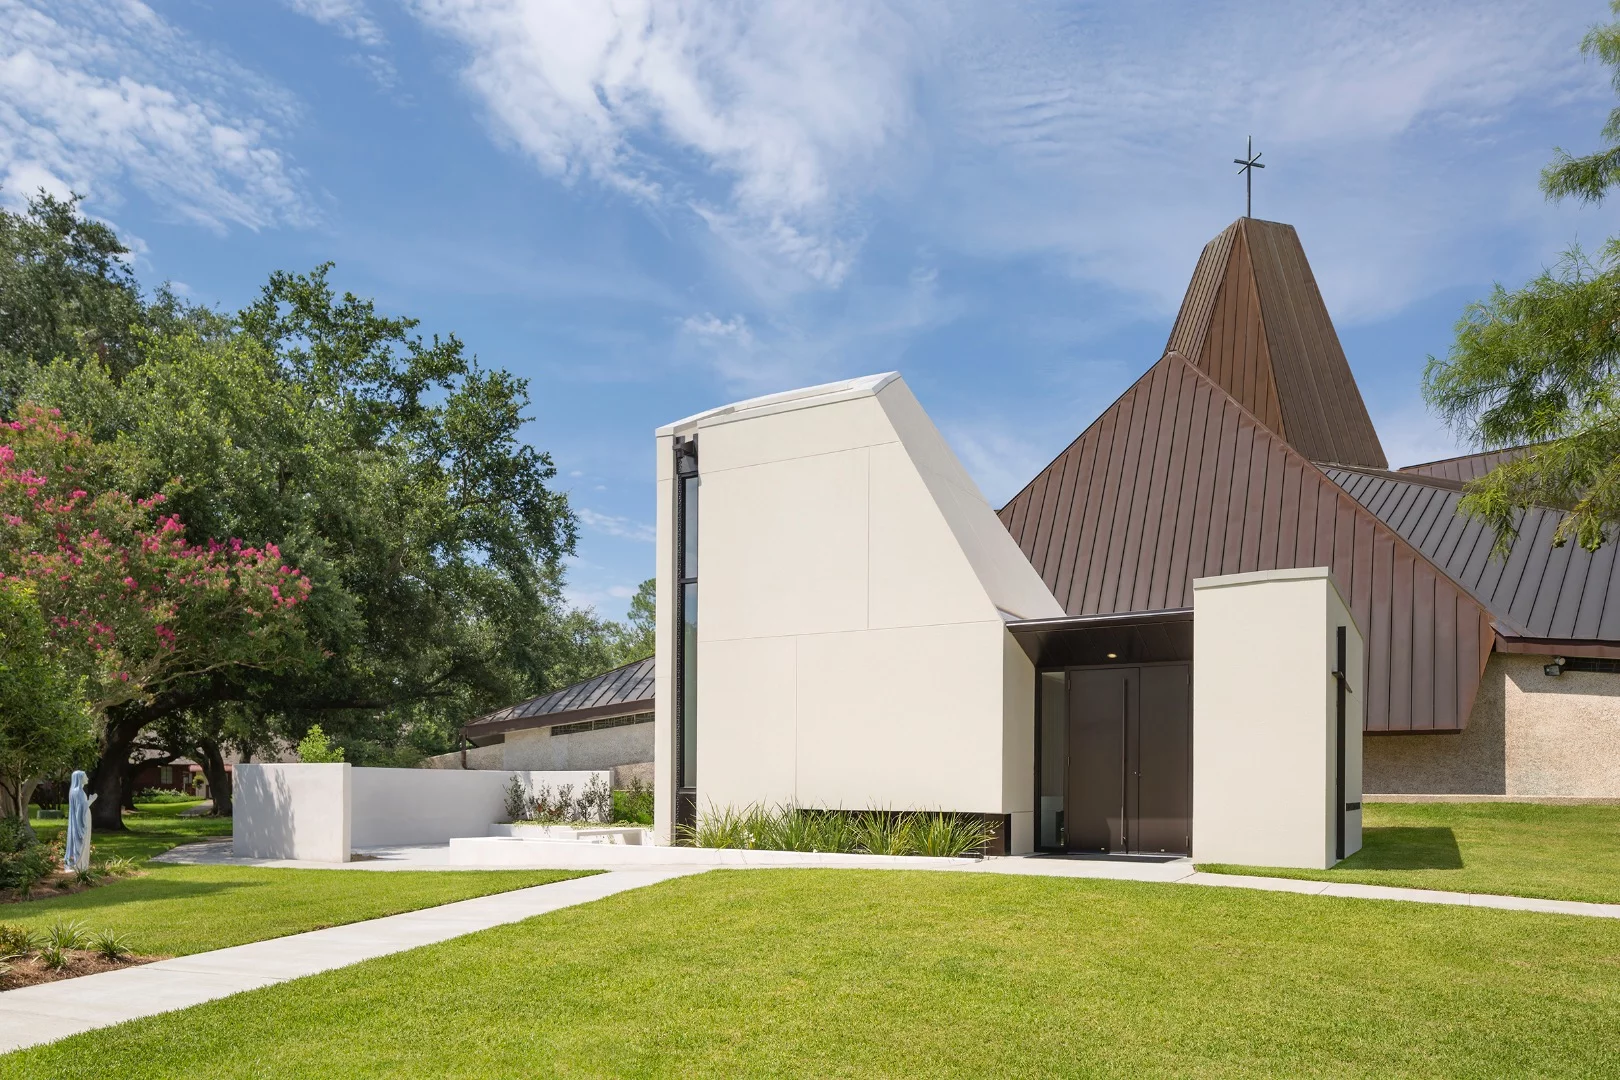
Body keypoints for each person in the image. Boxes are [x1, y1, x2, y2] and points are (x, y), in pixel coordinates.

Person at [64, 770, 96, 872]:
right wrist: (91, 800)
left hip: (82, 818)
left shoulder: (74, 791)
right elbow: (81, 809)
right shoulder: (78, 792)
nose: (87, 778)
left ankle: (78, 864)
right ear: (79, 779)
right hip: (82, 821)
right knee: (82, 841)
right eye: (85, 776)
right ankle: (79, 864)